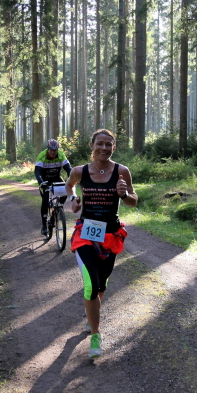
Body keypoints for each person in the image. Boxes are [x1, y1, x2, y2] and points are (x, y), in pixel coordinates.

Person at [65, 129, 137, 358]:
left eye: (108, 144)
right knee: (91, 285)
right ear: (92, 145)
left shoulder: (122, 171)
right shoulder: (80, 171)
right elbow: (70, 185)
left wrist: (124, 195)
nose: (103, 148)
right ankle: (96, 334)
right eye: (100, 143)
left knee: (102, 283)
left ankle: (92, 316)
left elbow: (133, 201)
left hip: (111, 235)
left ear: (113, 147)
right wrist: (73, 199)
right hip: (86, 233)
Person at [35, 139, 72, 236]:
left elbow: (68, 169)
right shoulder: (42, 156)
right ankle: (44, 225)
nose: (53, 152)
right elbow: (37, 172)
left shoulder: (61, 155)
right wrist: (41, 182)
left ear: (57, 150)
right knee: (45, 200)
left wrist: (71, 179)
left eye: (55, 150)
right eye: (51, 150)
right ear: (48, 149)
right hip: (44, 180)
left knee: (64, 193)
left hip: (56, 178)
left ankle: (57, 210)